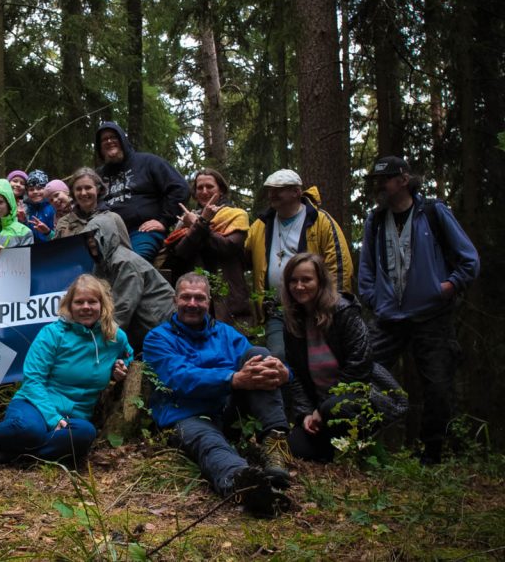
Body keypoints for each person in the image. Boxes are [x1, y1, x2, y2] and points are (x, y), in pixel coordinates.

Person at [0, 274, 132, 469]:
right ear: (69, 306)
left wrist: (120, 365)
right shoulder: (52, 334)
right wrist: (53, 418)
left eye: (92, 301)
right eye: (79, 302)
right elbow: (33, 380)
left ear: (102, 304)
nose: (86, 307)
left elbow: (129, 355)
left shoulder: (114, 336)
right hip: (34, 404)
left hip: (75, 415)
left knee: (85, 434)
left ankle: (9, 456)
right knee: (29, 429)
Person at [359, 156, 479, 464]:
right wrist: (373, 297)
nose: (378, 187)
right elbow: (367, 268)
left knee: (437, 385)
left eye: (383, 180)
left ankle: (432, 455)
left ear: (402, 180)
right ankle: (360, 445)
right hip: (388, 318)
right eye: (375, 181)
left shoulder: (432, 213)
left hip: (431, 316)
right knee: (362, 372)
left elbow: (469, 259)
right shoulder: (375, 221)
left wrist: (447, 286)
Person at [144, 273, 292, 517]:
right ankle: (243, 483)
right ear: (175, 300)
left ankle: (275, 445)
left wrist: (285, 373)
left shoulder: (226, 334)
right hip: (186, 415)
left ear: (209, 302)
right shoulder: (158, 338)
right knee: (209, 442)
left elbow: (259, 367)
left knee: (260, 354)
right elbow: (180, 378)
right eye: (186, 297)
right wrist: (232, 378)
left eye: (199, 298)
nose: (192, 303)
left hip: (228, 410)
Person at [281, 253, 406, 462]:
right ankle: (336, 449)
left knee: (333, 409)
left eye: (306, 279)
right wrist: (306, 414)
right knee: (296, 446)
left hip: (358, 396)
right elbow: (296, 377)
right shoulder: (292, 322)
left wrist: (323, 408)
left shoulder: (343, 311)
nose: (299, 286)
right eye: (293, 280)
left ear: (320, 281)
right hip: (319, 406)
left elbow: (360, 363)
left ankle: (369, 449)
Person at [246, 169, 352, 361]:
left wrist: (333, 306)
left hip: (316, 308)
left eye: (279, 189)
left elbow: (340, 265)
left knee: (319, 360)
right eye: (270, 190)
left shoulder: (321, 221)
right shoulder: (261, 225)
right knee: (279, 357)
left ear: (296, 192)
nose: (273, 194)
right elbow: (242, 256)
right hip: (276, 309)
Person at [161, 168, 251, 325]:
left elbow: (227, 247)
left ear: (221, 189)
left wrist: (199, 224)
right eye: (199, 187)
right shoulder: (185, 221)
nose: (204, 191)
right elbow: (179, 255)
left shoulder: (236, 215)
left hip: (228, 298)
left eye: (209, 187)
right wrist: (198, 222)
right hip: (194, 300)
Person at [94, 121, 190, 262]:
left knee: (133, 263)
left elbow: (179, 188)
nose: (109, 141)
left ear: (123, 140)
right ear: (100, 148)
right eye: (104, 139)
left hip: (142, 232)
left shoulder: (148, 162)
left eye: (113, 137)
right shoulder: (97, 176)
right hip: (107, 235)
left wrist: (164, 221)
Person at [83, 220, 174, 352]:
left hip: (158, 325)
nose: (91, 241)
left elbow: (123, 307)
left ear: (108, 235)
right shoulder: (101, 263)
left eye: (94, 235)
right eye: (87, 237)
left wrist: (100, 345)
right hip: (145, 327)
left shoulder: (124, 261)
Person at [54, 168, 127, 240]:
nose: (83, 193)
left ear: (98, 189)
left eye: (88, 188)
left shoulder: (113, 219)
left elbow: (125, 250)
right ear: (73, 192)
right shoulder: (64, 223)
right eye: (78, 189)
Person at [24, 169, 56, 242]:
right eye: (31, 189)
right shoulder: (28, 208)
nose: (35, 192)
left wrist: (48, 232)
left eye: (39, 188)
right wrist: (24, 221)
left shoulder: (53, 207)